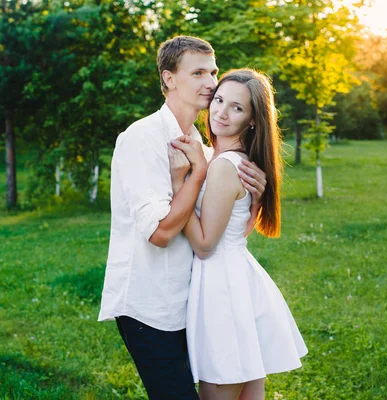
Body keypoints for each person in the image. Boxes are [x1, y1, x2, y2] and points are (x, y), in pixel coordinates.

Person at [97, 36, 267, 400]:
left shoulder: (200, 145)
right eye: (198, 73)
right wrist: (197, 176)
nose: (211, 82)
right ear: (169, 78)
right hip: (151, 307)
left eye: (214, 71)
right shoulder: (141, 139)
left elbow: (223, 231)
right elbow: (160, 233)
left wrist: (254, 200)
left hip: (194, 303)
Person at [170, 69, 308, 400]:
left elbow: (204, 246)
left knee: (219, 385)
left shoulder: (223, 166)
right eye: (218, 100)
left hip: (222, 289)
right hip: (237, 280)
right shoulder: (223, 160)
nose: (220, 112)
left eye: (236, 108)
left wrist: (180, 186)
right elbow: (238, 228)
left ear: (252, 121)